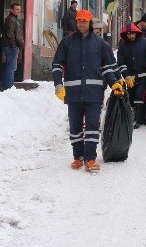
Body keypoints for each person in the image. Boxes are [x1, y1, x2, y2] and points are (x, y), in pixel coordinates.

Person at [52, 9, 124, 173]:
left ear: (90, 23)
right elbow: (57, 64)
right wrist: (58, 85)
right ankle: (78, 157)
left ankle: (90, 159)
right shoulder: (67, 42)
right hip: (73, 93)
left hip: (94, 93)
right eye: (79, 21)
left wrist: (114, 83)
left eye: (84, 21)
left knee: (92, 126)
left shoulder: (100, 44)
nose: (81, 24)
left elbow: (107, 68)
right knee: (75, 127)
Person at [117, 23, 146, 128]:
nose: (131, 36)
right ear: (125, 35)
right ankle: (132, 117)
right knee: (131, 97)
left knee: (139, 95)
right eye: (128, 34)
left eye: (132, 34)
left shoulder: (145, 42)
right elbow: (121, 63)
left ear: (136, 33)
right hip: (130, 78)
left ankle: (138, 118)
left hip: (143, 77)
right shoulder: (123, 46)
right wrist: (126, 76)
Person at [1, 2, 24, 91]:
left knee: (10, 67)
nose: (19, 11)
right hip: (11, 47)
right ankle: (8, 88)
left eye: (20, 10)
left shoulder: (13, 19)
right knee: (11, 68)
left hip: (11, 46)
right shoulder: (10, 19)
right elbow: (10, 34)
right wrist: (14, 45)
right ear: (11, 10)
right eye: (17, 9)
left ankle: (6, 87)